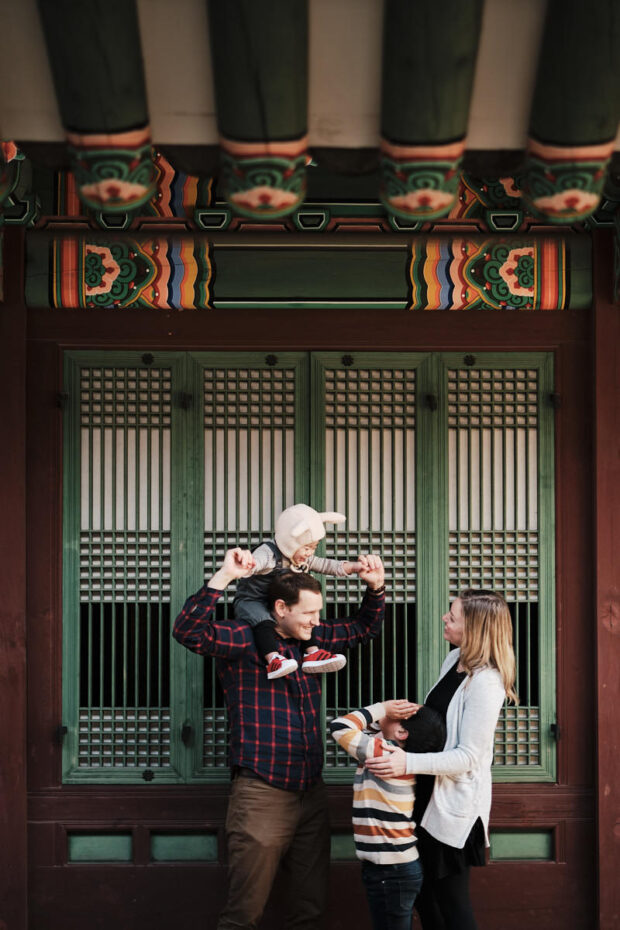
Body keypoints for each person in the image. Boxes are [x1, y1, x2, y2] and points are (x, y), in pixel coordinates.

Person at [172, 546, 386, 930]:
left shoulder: (313, 639)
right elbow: (189, 632)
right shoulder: (243, 638)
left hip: (311, 791)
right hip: (262, 791)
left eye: (318, 612)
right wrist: (222, 578)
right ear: (280, 609)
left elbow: (364, 628)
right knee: (244, 914)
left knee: (310, 910)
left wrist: (375, 588)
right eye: (308, 613)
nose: (316, 621)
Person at [365, 589, 518, 930]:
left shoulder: (487, 682)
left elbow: (468, 756)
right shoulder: (454, 660)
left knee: (452, 904)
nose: (445, 619)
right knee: (423, 894)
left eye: (453, 616)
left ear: (476, 628)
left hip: (454, 807)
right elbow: (440, 727)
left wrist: (406, 764)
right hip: (425, 793)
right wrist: (399, 719)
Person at [329, 700, 447, 930]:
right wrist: (385, 720)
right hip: (393, 867)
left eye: (399, 713)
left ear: (402, 732)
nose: (393, 709)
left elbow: (340, 727)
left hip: (391, 869)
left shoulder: (383, 753)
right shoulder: (392, 752)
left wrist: (381, 709)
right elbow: (360, 732)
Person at [233, 503, 363, 679]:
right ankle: (273, 660)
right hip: (254, 600)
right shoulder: (269, 553)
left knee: (307, 617)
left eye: (314, 547)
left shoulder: (299, 558)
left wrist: (354, 567)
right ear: (290, 542)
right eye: (306, 547)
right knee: (263, 621)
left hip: (280, 603)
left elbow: (324, 564)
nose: (310, 553)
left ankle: (312, 653)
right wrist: (247, 564)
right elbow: (256, 563)